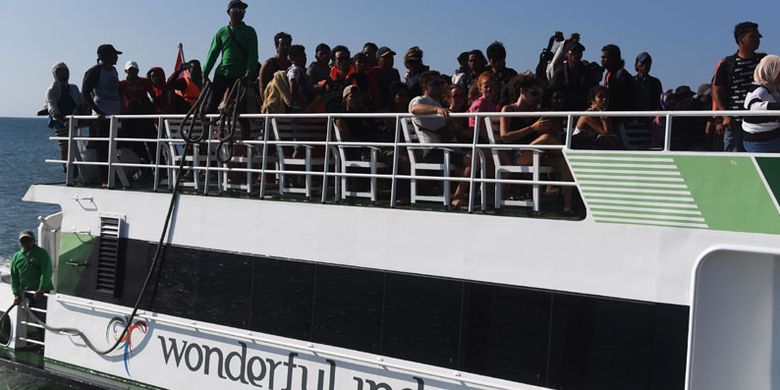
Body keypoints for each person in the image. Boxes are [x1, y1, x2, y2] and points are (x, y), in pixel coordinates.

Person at [712, 21, 766, 152]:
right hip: (734, 121)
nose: (758, 39)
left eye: (759, 36)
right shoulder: (728, 63)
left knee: (759, 155)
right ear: (741, 40)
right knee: (733, 157)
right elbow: (716, 90)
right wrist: (724, 115)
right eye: (753, 36)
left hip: (759, 120)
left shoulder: (764, 61)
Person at [202, 0, 259, 114]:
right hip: (222, 73)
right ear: (229, 12)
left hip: (240, 77)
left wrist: (248, 75)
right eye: (237, 9)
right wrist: (205, 73)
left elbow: (253, 55)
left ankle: (244, 132)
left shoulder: (249, 32)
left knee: (240, 110)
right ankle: (206, 131)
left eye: (242, 10)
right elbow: (213, 53)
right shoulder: (221, 32)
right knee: (210, 108)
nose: (240, 12)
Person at [82, 44, 123, 182]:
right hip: (101, 117)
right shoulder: (95, 71)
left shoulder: (114, 71)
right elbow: (85, 92)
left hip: (115, 115)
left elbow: (117, 90)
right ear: (105, 56)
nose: (117, 57)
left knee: (114, 147)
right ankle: (105, 178)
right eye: (114, 54)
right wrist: (98, 111)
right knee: (102, 149)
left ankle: (114, 175)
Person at [44, 62, 82, 164]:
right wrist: (61, 120)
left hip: (74, 119)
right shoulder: (52, 90)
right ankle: (67, 166)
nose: (64, 74)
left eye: (66, 71)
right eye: (60, 72)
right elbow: (52, 106)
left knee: (74, 144)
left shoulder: (73, 88)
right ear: (55, 74)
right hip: (60, 122)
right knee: (65, 145)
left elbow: (80, 103)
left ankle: (75, 165)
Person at [742, 55, 780, 152]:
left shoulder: (770, 88)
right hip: (761, 142)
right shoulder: (759, 90)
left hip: (770, 139)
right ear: (770, 72)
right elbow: (754, 108)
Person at [11, 231, 53, 306]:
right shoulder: (16, 256)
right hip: (25, 292)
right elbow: (14, 276)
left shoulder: (42, 254)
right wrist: (16, 293)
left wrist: (41, 289)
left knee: (41, 315)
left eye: (28, 240)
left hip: (41, 293)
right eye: (23, 240)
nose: (25, 242)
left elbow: (46, 272)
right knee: (27, 315)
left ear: (33, 240)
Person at [549, 42, 592, 110]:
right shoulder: (559, 73)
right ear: (566, 54)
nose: (577, 54)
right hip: (563, 111)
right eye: (573, 51)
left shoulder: (587, 72)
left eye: (579, 52)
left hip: (582, 110)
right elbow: (552, 91)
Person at [601, 44, 635, 112]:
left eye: (605, 57)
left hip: (619, 116)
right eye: (602, 57)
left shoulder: (621, 75)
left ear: (614, 59)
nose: (602, 60)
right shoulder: (608, 74)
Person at [367, 46, 401, 111]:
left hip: (393, 108)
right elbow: (374, 92)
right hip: (378, 110)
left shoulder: (395, 72)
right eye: (386, 58)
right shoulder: (373, 72)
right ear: (378, 60)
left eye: (391, 57)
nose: (390, 60)